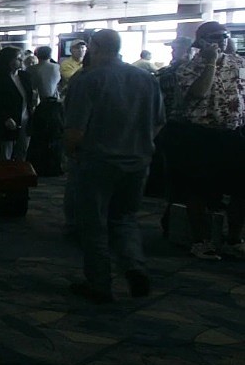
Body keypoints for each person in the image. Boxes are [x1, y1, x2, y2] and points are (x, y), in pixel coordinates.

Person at [64, 28, 165, 303]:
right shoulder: (146, 79)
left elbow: (75, 130)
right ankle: (134, 266)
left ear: (95, 47)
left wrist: (72, 154)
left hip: (97, 161)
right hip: (137, 161)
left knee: (93, 223)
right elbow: (158, 122)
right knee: (125, 219)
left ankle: (99, 283)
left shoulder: (88, 80)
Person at [164, 21, 245, 260]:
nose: (219, 41)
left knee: (241, 189)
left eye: (223, 36)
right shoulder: (188, 69)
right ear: (200, 42)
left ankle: (234, 238)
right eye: (213, 37)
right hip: (201, 135)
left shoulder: (239, 63)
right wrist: (210, 62)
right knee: (198, 190)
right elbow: (198, 93)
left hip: (233, 133)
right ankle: (201, 240)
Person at [0, 46, 34, 162]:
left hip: (26, 118)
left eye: (21, 58)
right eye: (17, 58)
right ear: (8, 61)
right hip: (9, 121)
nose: (21, 60)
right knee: (6, 154)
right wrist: (5, 118)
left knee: (23, 150)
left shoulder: (24, 76)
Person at [26, 45, 64, 176]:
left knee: (40, 137)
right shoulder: (57, 67)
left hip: (42, 106)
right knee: (55, 136)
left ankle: (40, 165)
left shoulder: (32, 69)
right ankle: (54, 164)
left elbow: (33, 88)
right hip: (55, 105)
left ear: (37, 55)